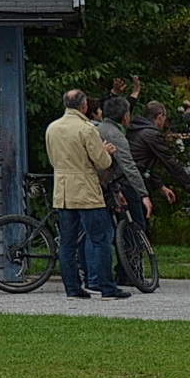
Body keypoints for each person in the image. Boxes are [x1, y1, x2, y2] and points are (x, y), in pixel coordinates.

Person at [45, 88, 131, 300]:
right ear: (84, 106)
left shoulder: (52, 128)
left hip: (63, 189)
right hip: (85, 189)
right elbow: (102, 162)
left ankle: (73, 289)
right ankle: (107, 287)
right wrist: (106, 152)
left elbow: (52, 160)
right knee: (100, 238)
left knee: (67, 242)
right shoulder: (87, 129)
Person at [96, 96, 154, 287]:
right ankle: (128, 272)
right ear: (126, 116)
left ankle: (117, 272)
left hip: (108, 185)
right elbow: (128, 166)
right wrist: (143, 194)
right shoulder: (114, 134)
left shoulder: (98, 128)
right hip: (109, 186)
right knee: (134, 228)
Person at [128, 101, 190, 214]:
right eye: (165, 117)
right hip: (133, 184)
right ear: (160, 117)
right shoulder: (151, 134)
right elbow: (170, 162)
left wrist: (160, 187)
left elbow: (143, 165)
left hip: (127, 179)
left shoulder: (136, 129)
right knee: (138, 224)